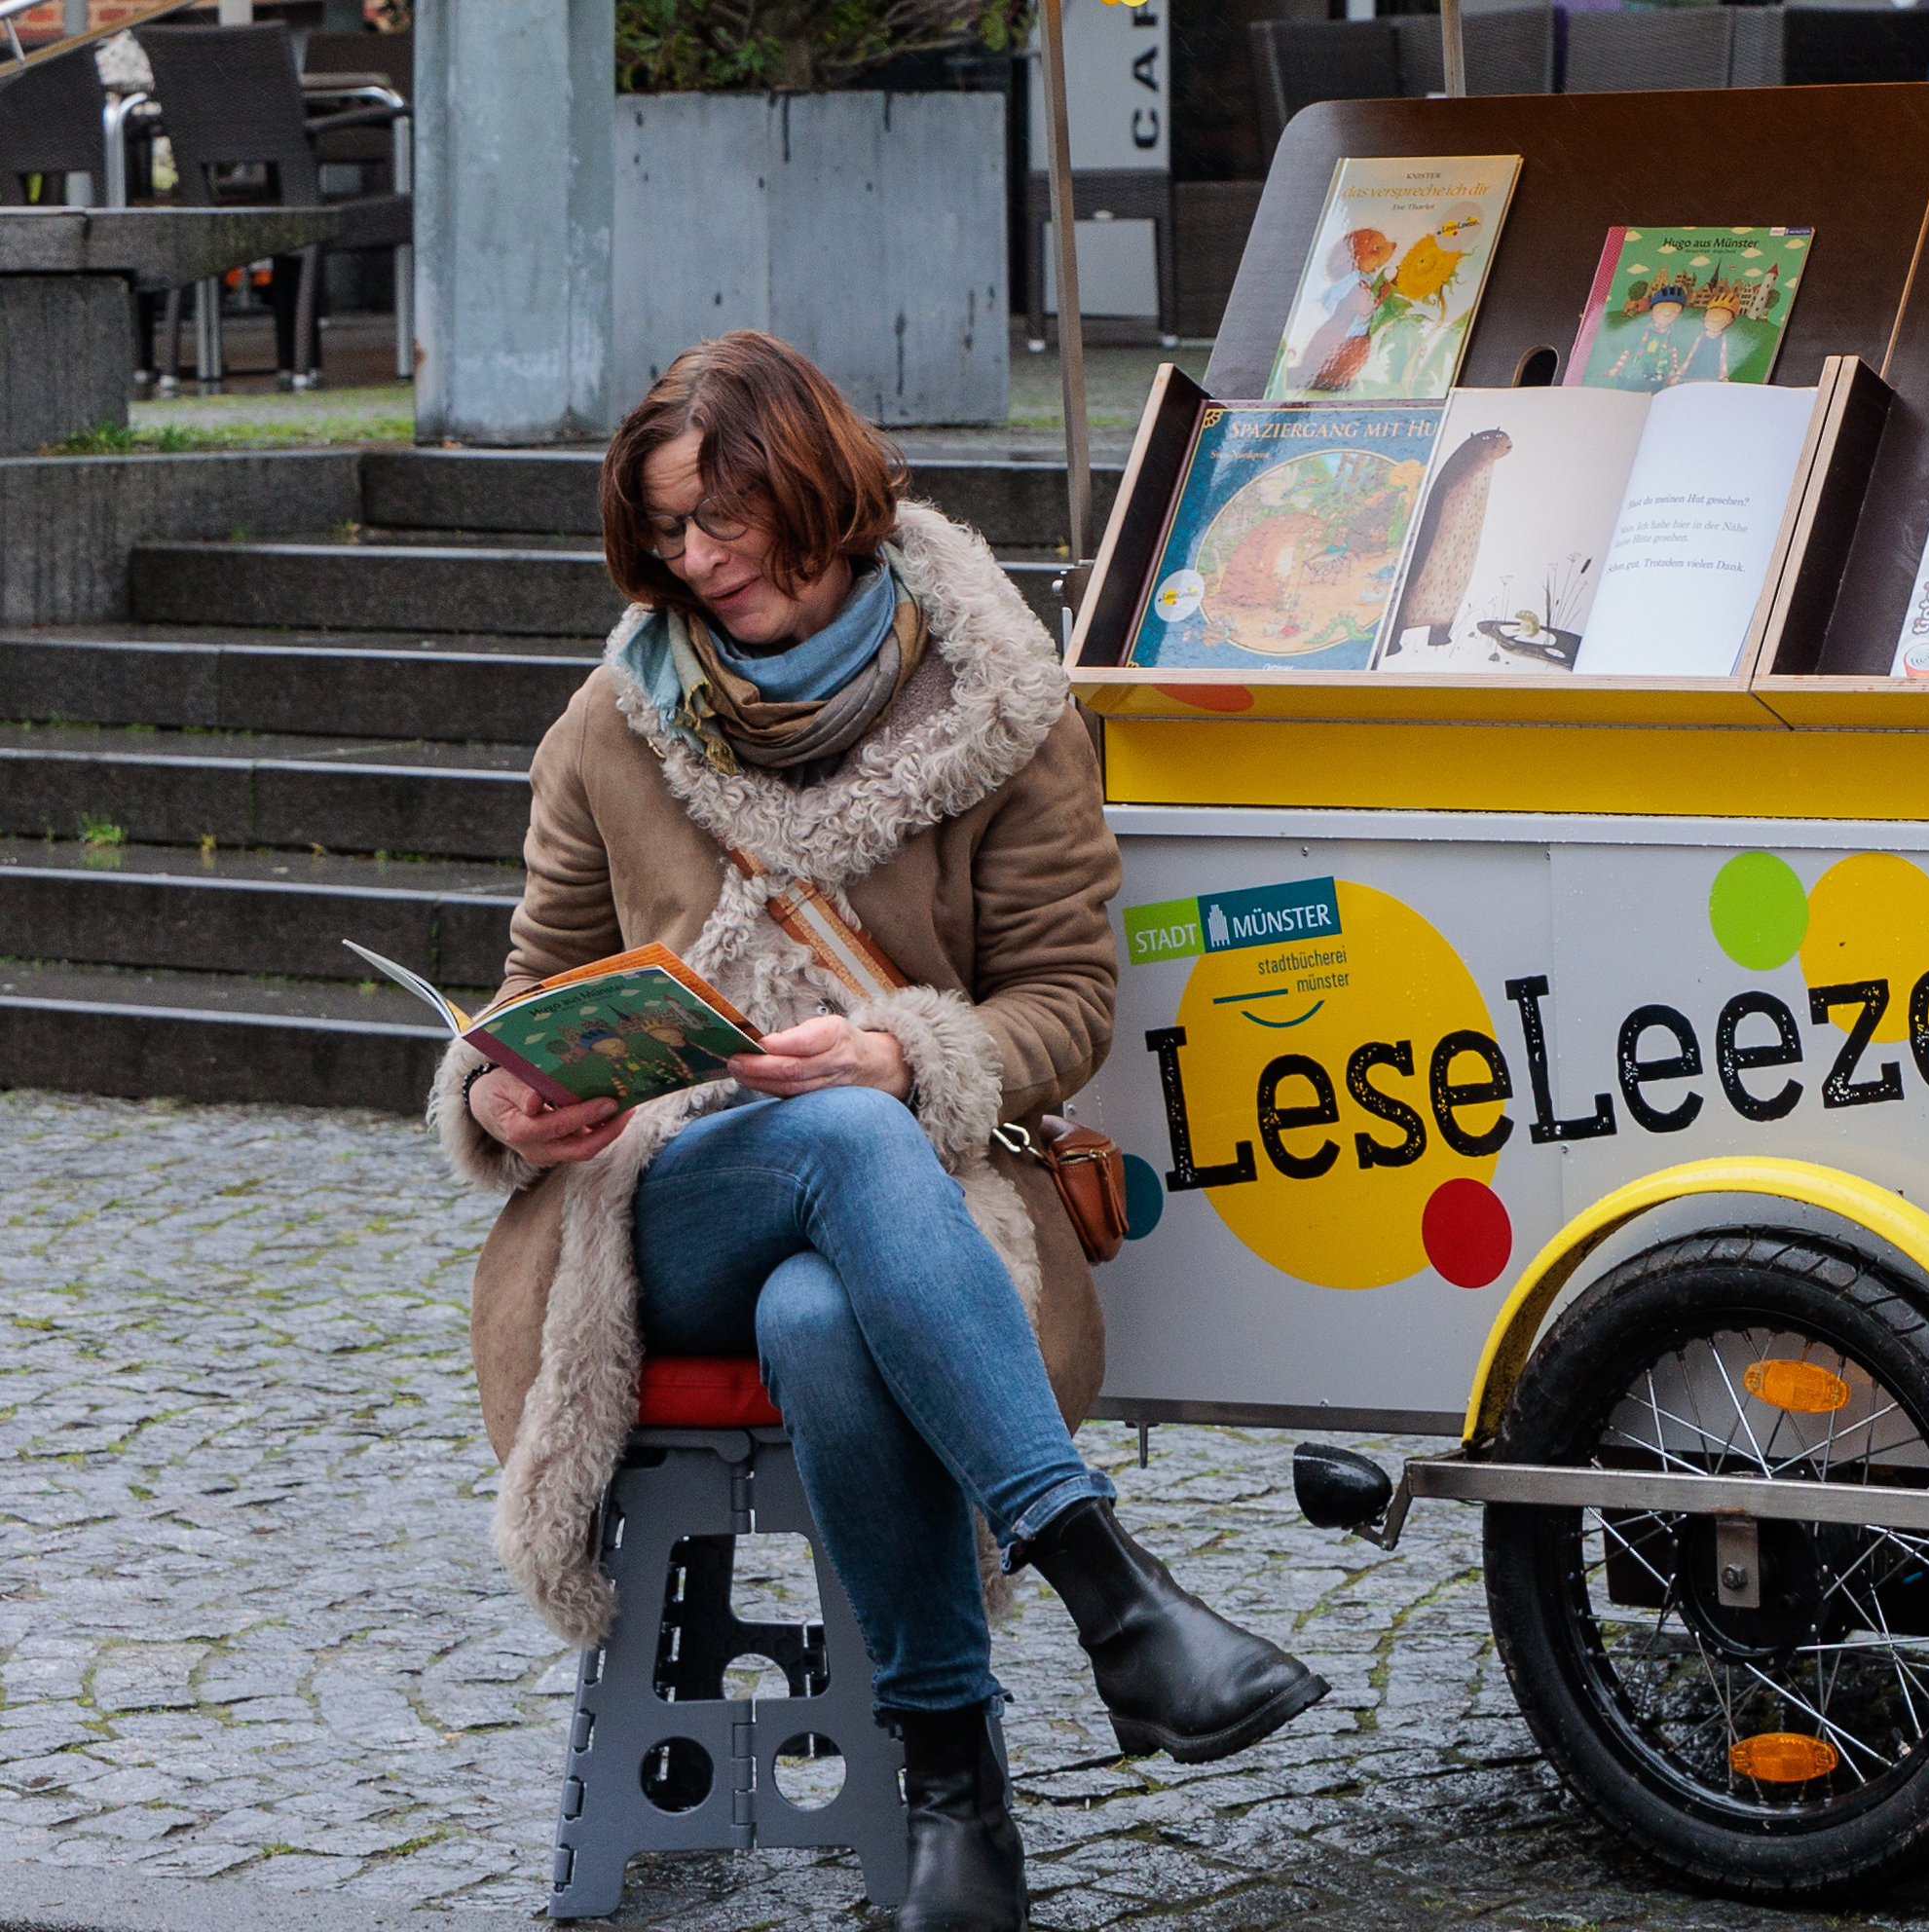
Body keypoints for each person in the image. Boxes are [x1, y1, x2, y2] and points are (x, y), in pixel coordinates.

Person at [427, 332, 1323, 1932]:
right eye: (667, 535)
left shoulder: (1004, 707)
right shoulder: (612, 722)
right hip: (662, 1216)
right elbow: (529, 992)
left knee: (825, 1305)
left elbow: (1067, 1002)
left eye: (726, 521)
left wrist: (908, 1056)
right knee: (835, 1151)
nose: (695, 565)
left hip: (924, 1205)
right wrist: (507, 1096)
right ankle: (1119, 1602)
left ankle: (955, 1807)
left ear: (821, 492)